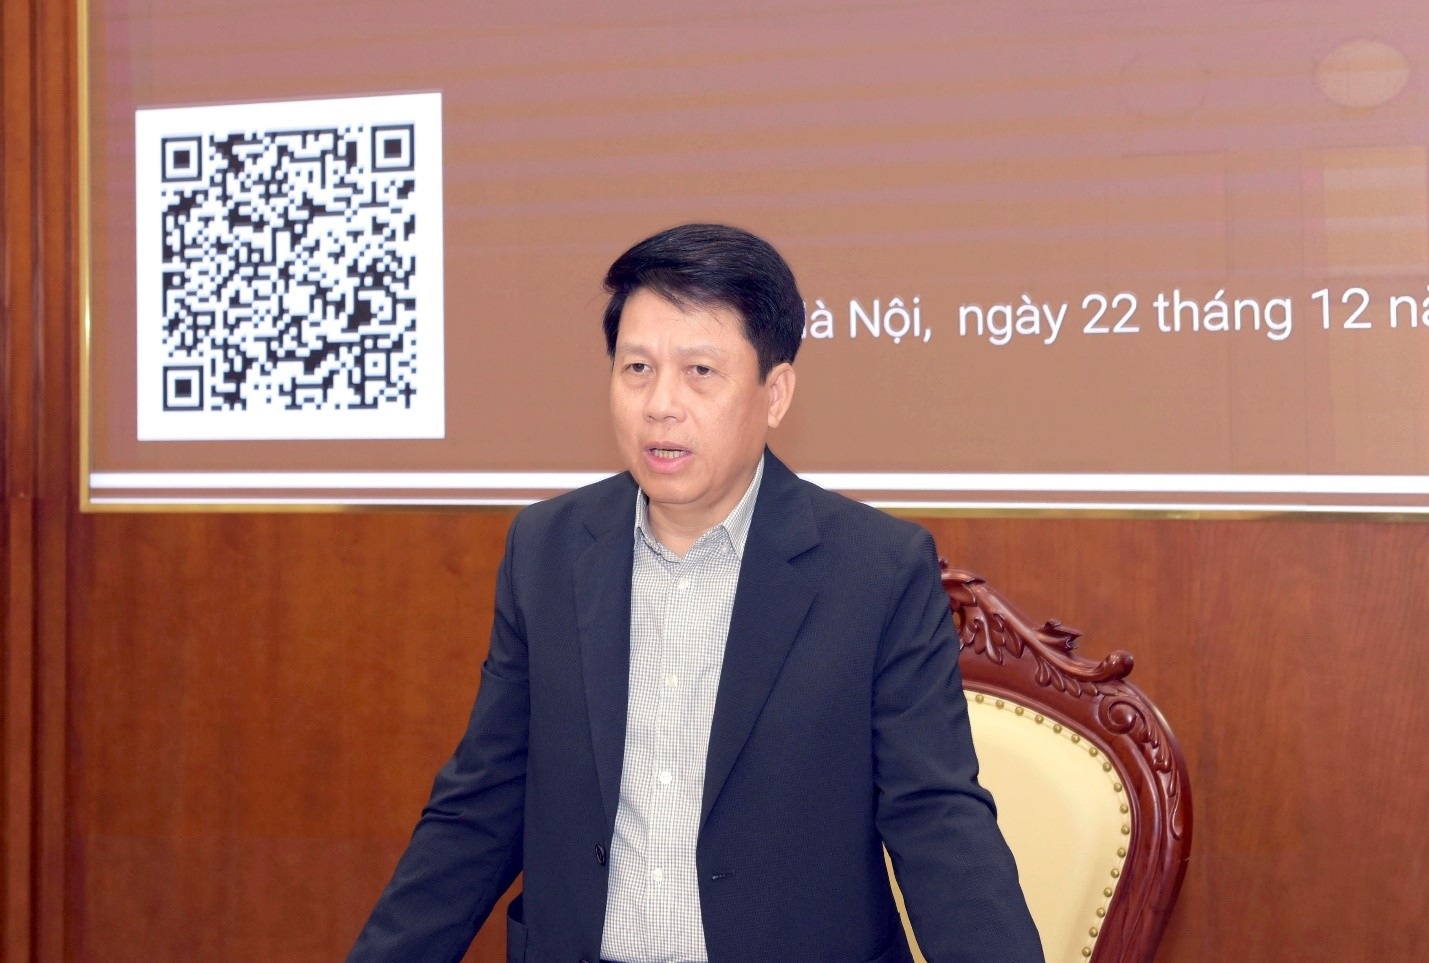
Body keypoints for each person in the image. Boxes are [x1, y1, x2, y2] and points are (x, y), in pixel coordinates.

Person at [349, 224, 1042, 963]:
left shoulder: (874, 571)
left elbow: (937, 819)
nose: (660, 404)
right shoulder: (547, 551)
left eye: (700, 371)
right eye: (637, 368)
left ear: (775, 394)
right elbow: (480, 806)